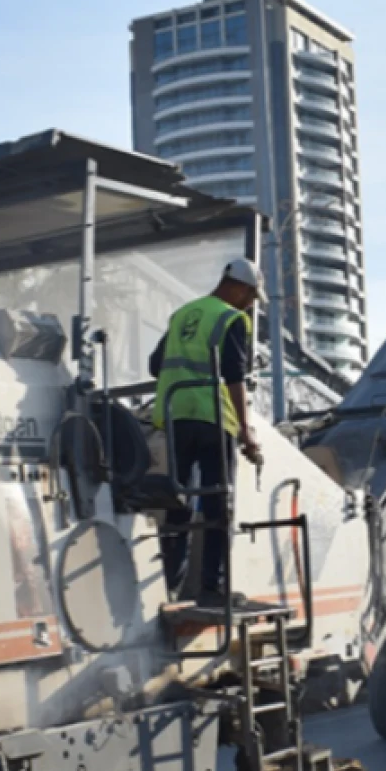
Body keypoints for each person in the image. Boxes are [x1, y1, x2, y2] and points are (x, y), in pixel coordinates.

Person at [151, 258, 265, 604]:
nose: (251, 304)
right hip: (214, 417)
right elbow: (234, 377)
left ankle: (170, 586)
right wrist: (246, 430)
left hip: (176, 416)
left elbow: (155, 365)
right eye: (252, 296)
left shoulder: (183, 314)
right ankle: (212, 589)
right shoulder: (232, 319)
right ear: (240, 288)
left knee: (178, 502)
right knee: (218, 504)